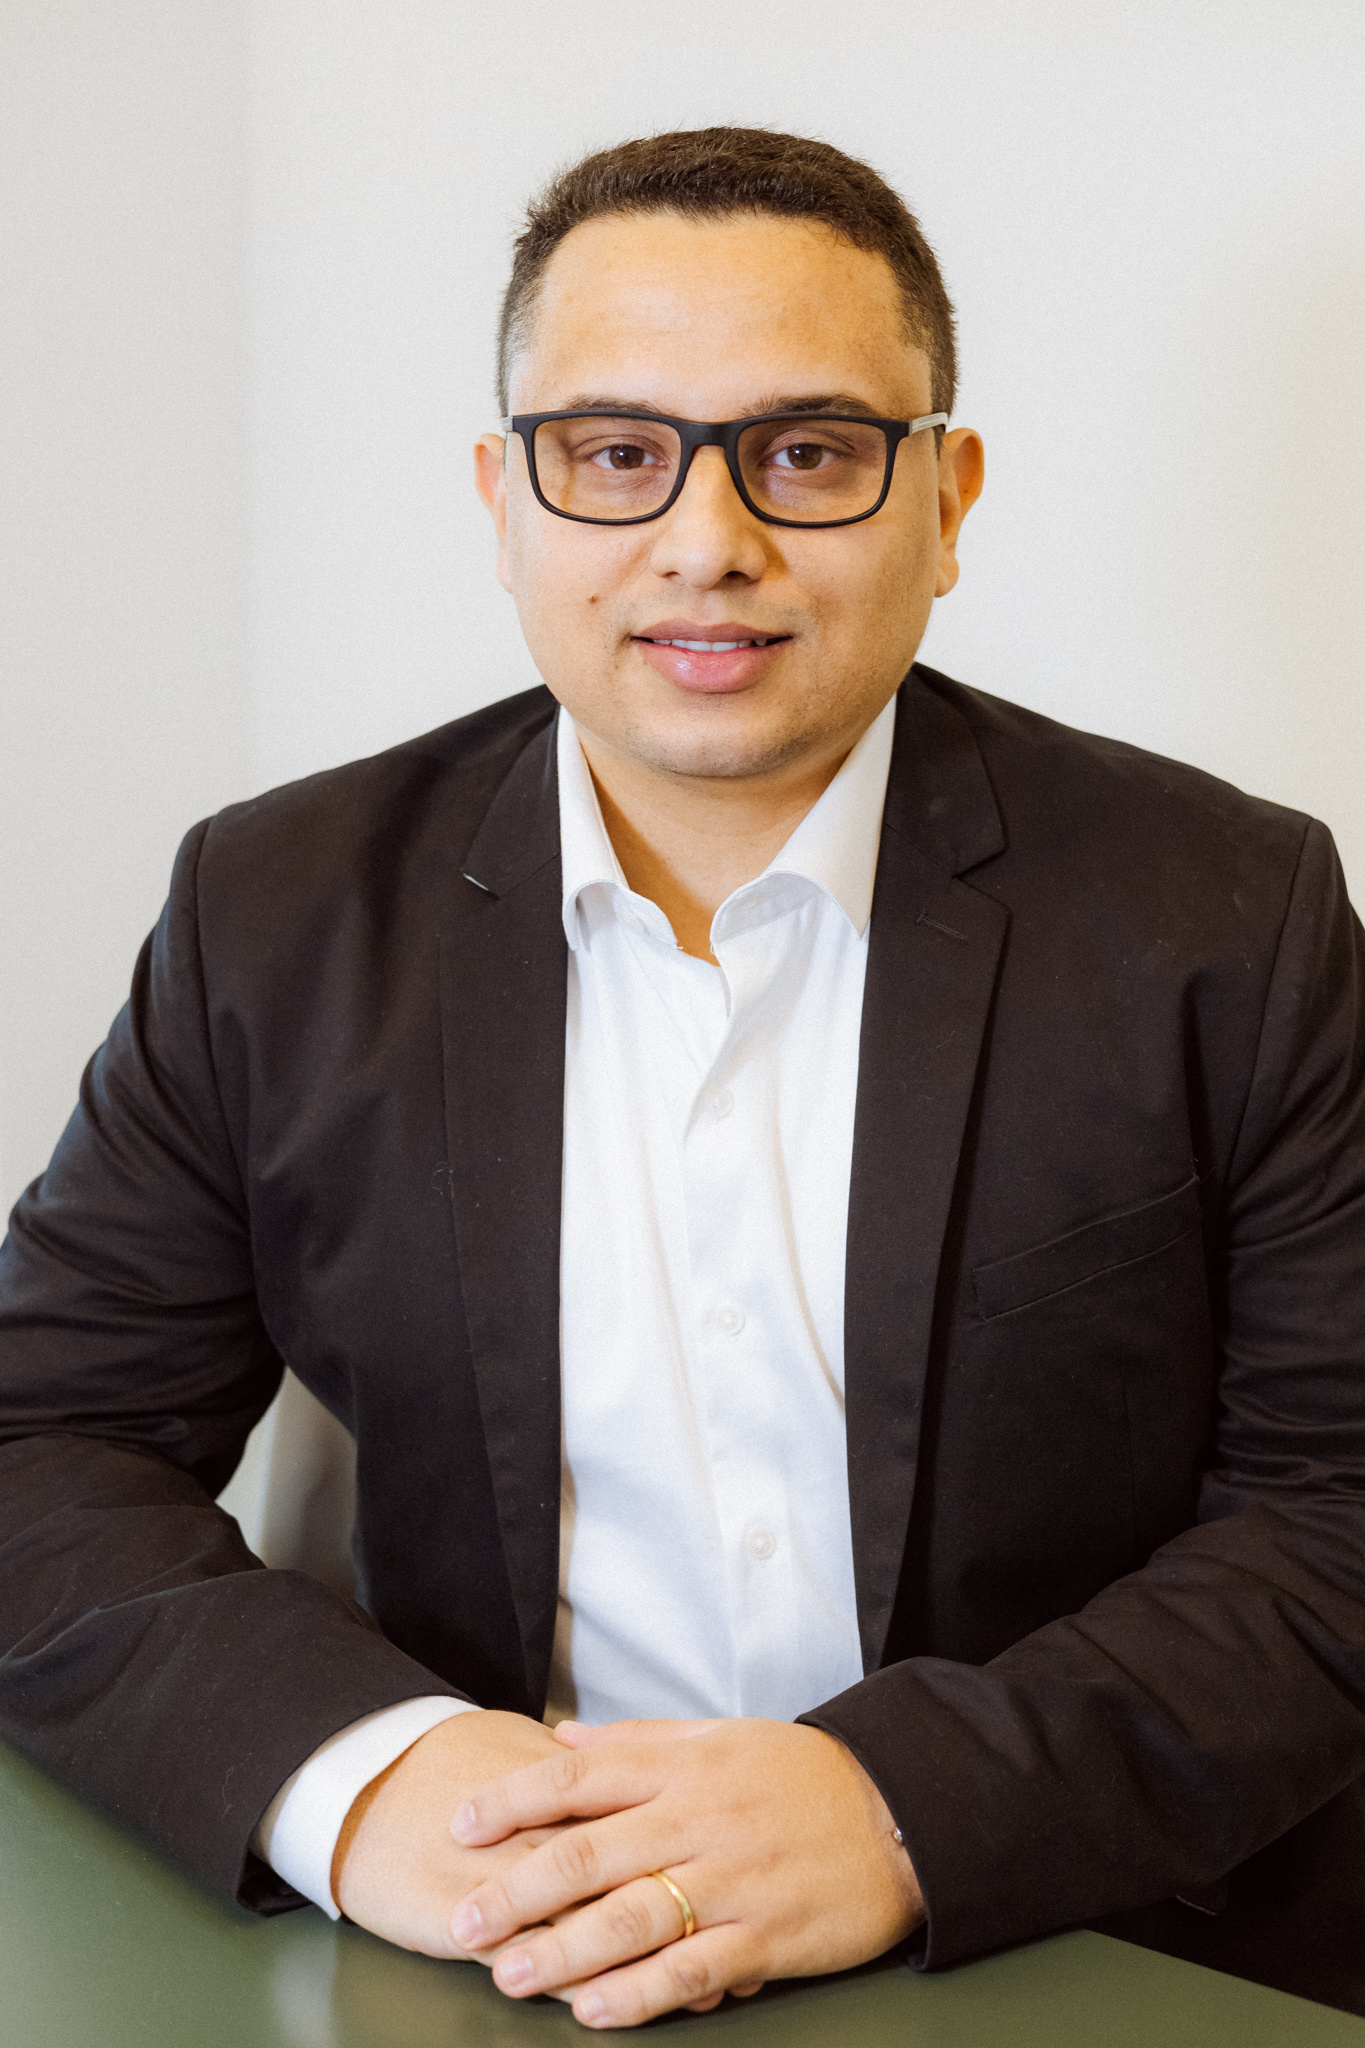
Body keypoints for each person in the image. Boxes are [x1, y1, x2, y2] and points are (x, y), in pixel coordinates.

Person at [2, 126, 1364, 2029]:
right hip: (491, 1940)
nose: (706, 540)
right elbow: (43, 1443)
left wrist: (905, 1805)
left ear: (945, 499)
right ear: (505, 501)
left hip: (1079, 1939)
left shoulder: (1231, 910)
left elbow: (1333, 1504)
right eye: (614, 452)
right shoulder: (277, 911)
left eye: (804, 453)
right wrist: (367, 1779)